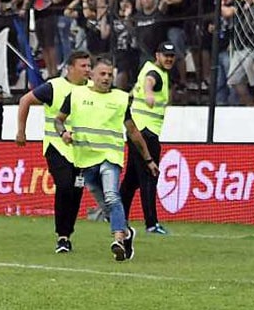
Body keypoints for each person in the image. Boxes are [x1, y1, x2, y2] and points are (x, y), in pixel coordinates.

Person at [57, 57, 157, 261]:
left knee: (112, 196)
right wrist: (63, 133)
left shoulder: (120, 99)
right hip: (85, 159)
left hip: (110, 157)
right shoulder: (76, 94)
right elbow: (58, 120)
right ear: (91, 75)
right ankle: (127, 233)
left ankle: (118, 240)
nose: (106, 78)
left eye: (110, 74)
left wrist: (148, 159)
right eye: (102, 74)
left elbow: (132, 131)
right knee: (106, 205)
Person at [16, 50, 92, 253]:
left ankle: (67, 234)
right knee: (65, 185)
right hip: (56, 146)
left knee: (76, 191)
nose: (87, 70)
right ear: (70, 68)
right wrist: (21, 131)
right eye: (83, 66)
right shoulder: (54, 86)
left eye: (88, 66)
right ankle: (62, 236)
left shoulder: (93, 89)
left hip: (81, 150)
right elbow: (25, 100)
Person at [121, 41, 177, 235]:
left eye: (171, 56)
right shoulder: (155, 74)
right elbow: (149, 83)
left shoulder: (147, 68)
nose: (169, 59)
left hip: (136, 130)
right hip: (146, 132)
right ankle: (151, 223)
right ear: (157, 55)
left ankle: (117, 216)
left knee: (132, 179)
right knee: (149, 177)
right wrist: (148, 93)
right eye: (165, 55)